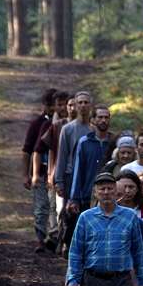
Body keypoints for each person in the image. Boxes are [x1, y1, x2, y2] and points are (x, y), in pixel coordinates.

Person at [49, 92, 94, 246]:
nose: (82, 105)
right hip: (69, 176)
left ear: (90, 105)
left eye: (85, 102)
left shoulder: (94, 130)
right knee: (69, 213)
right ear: (75, 105)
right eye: (79, 102)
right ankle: (65, 243)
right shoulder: (67, 129)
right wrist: (59, 181)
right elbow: (61, 156)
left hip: (88, 177)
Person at [64, 106, 117, 239]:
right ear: (93, 120)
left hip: (110, 195)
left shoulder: (114, 142)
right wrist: (74, 198)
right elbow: (78, 171)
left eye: (106, 117)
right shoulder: (84, 142)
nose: (103, 120)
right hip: (87, 196)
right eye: (100, 117)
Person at [22, 89, 63, 251]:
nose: (55, 109)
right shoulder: (38, 124)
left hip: (58, 172)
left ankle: (54, 238)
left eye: (58, 105)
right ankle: (40, 237)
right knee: (41, 207)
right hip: (41, 172)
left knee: (55, 207)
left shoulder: (64, 124)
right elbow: (28, 150)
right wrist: (27, 174)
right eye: (52, 105)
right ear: (45, 106)